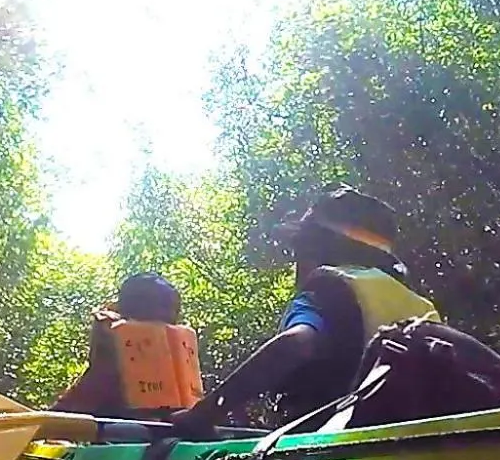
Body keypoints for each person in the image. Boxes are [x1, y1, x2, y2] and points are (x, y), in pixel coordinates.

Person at [169, 185, 446, 436]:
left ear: (317, 250)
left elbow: (296, 344)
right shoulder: (419, 305)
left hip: (340, 455)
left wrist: (206, 413)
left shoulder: (326, 291)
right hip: (417, 448)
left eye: (301, 251)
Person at [50, 272, 204, 420]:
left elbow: (71, 406)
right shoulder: (114, 354)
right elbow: (75, 404)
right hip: (126, 439)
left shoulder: (182, 352)